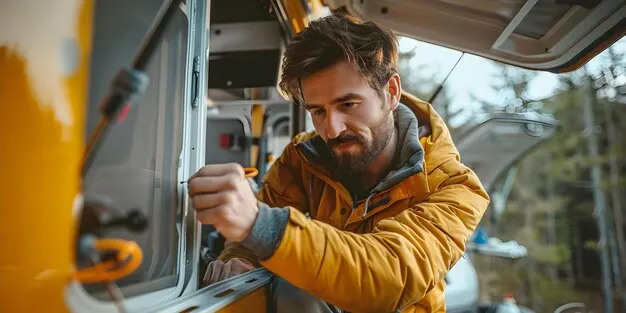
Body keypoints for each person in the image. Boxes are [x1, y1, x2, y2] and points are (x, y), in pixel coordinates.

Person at [188, 12, 490, 313]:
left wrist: (259, 226)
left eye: (348, 105)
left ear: (392, 92)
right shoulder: (302, 157)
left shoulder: (455, 190)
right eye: (318, 111)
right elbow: (247, 241)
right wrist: (238, 259)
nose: (332, 130)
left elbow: (387, 279)